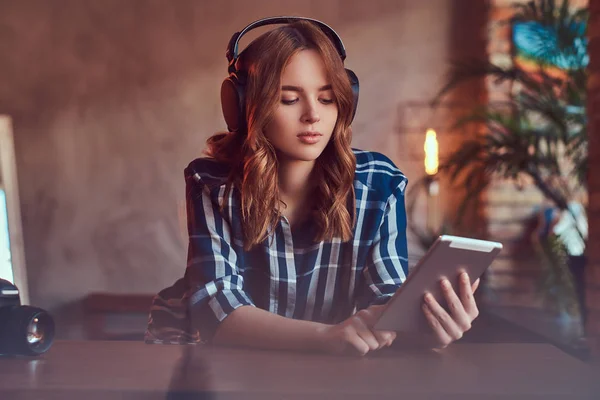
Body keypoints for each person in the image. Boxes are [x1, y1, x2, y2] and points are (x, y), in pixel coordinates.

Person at [146, 17, 480, 356]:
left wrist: (425, 329)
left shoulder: (379, 183)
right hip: (199, 352)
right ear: (244, 106)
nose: (312, 116)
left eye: (327, 98)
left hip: (319, 363)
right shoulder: (211, 183)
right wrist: (325, 337)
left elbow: (385, 298)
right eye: (290, 99)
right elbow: (215, 307)